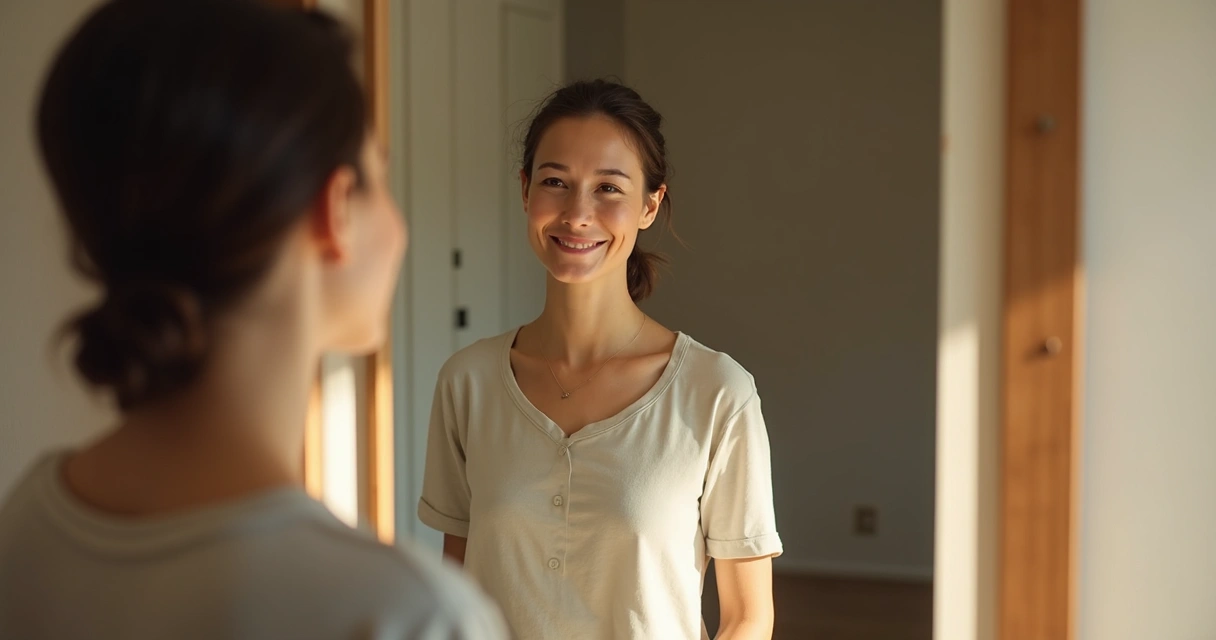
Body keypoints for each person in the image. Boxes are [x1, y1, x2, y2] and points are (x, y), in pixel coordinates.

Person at [0, 1, 505, 638]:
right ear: (335, 211)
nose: (400, 228)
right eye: (380, 176)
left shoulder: (26, 530)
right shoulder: (403, 613)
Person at [419, 79, 783, 639]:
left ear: (649, 205)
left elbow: (747, 618)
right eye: (555, 182)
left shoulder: (717, 392)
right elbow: (458, 589)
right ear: (524, 190)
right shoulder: (467, 383)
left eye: (609, 188)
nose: (577, 213)